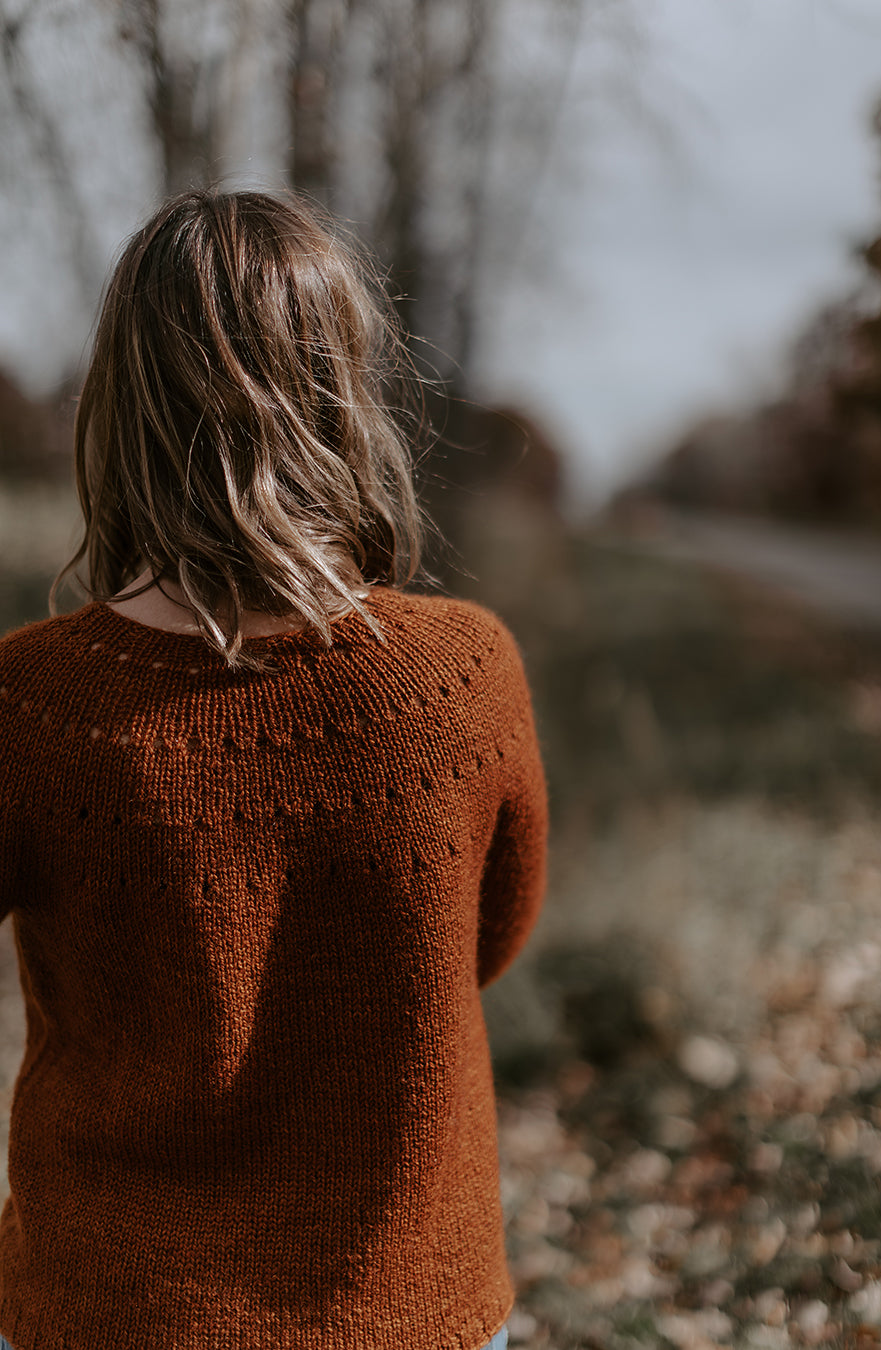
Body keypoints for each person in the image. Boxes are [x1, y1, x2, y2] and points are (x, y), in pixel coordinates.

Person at [0, 189, 548, 1350]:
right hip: (410, 1307)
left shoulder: (29, 703)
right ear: (343, 394)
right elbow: (486, 940)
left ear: (125, 405)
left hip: (105, 1314)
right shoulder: (465, 678)